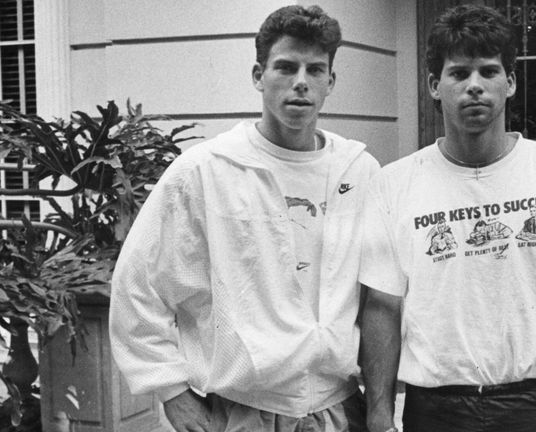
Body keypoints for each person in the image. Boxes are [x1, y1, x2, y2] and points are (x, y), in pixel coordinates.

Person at [109, 5, 379, 432]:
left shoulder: (358, 171)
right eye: (286, 68)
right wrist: (171, 392)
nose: (301, 83)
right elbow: (138, 284)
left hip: (338, 409)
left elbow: (380, 293)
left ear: (331, 81)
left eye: (315, 70)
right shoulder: (208, 169)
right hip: (240, 410)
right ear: (258, 76)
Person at [359, 4, 536, 432]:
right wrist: (378, 419)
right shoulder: (394, 184)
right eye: (459, 73)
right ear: (433, 85)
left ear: (511, 82)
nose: (475, 86)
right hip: (434, 410)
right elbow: (382, 308)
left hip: (534, 407)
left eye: (489, 71)